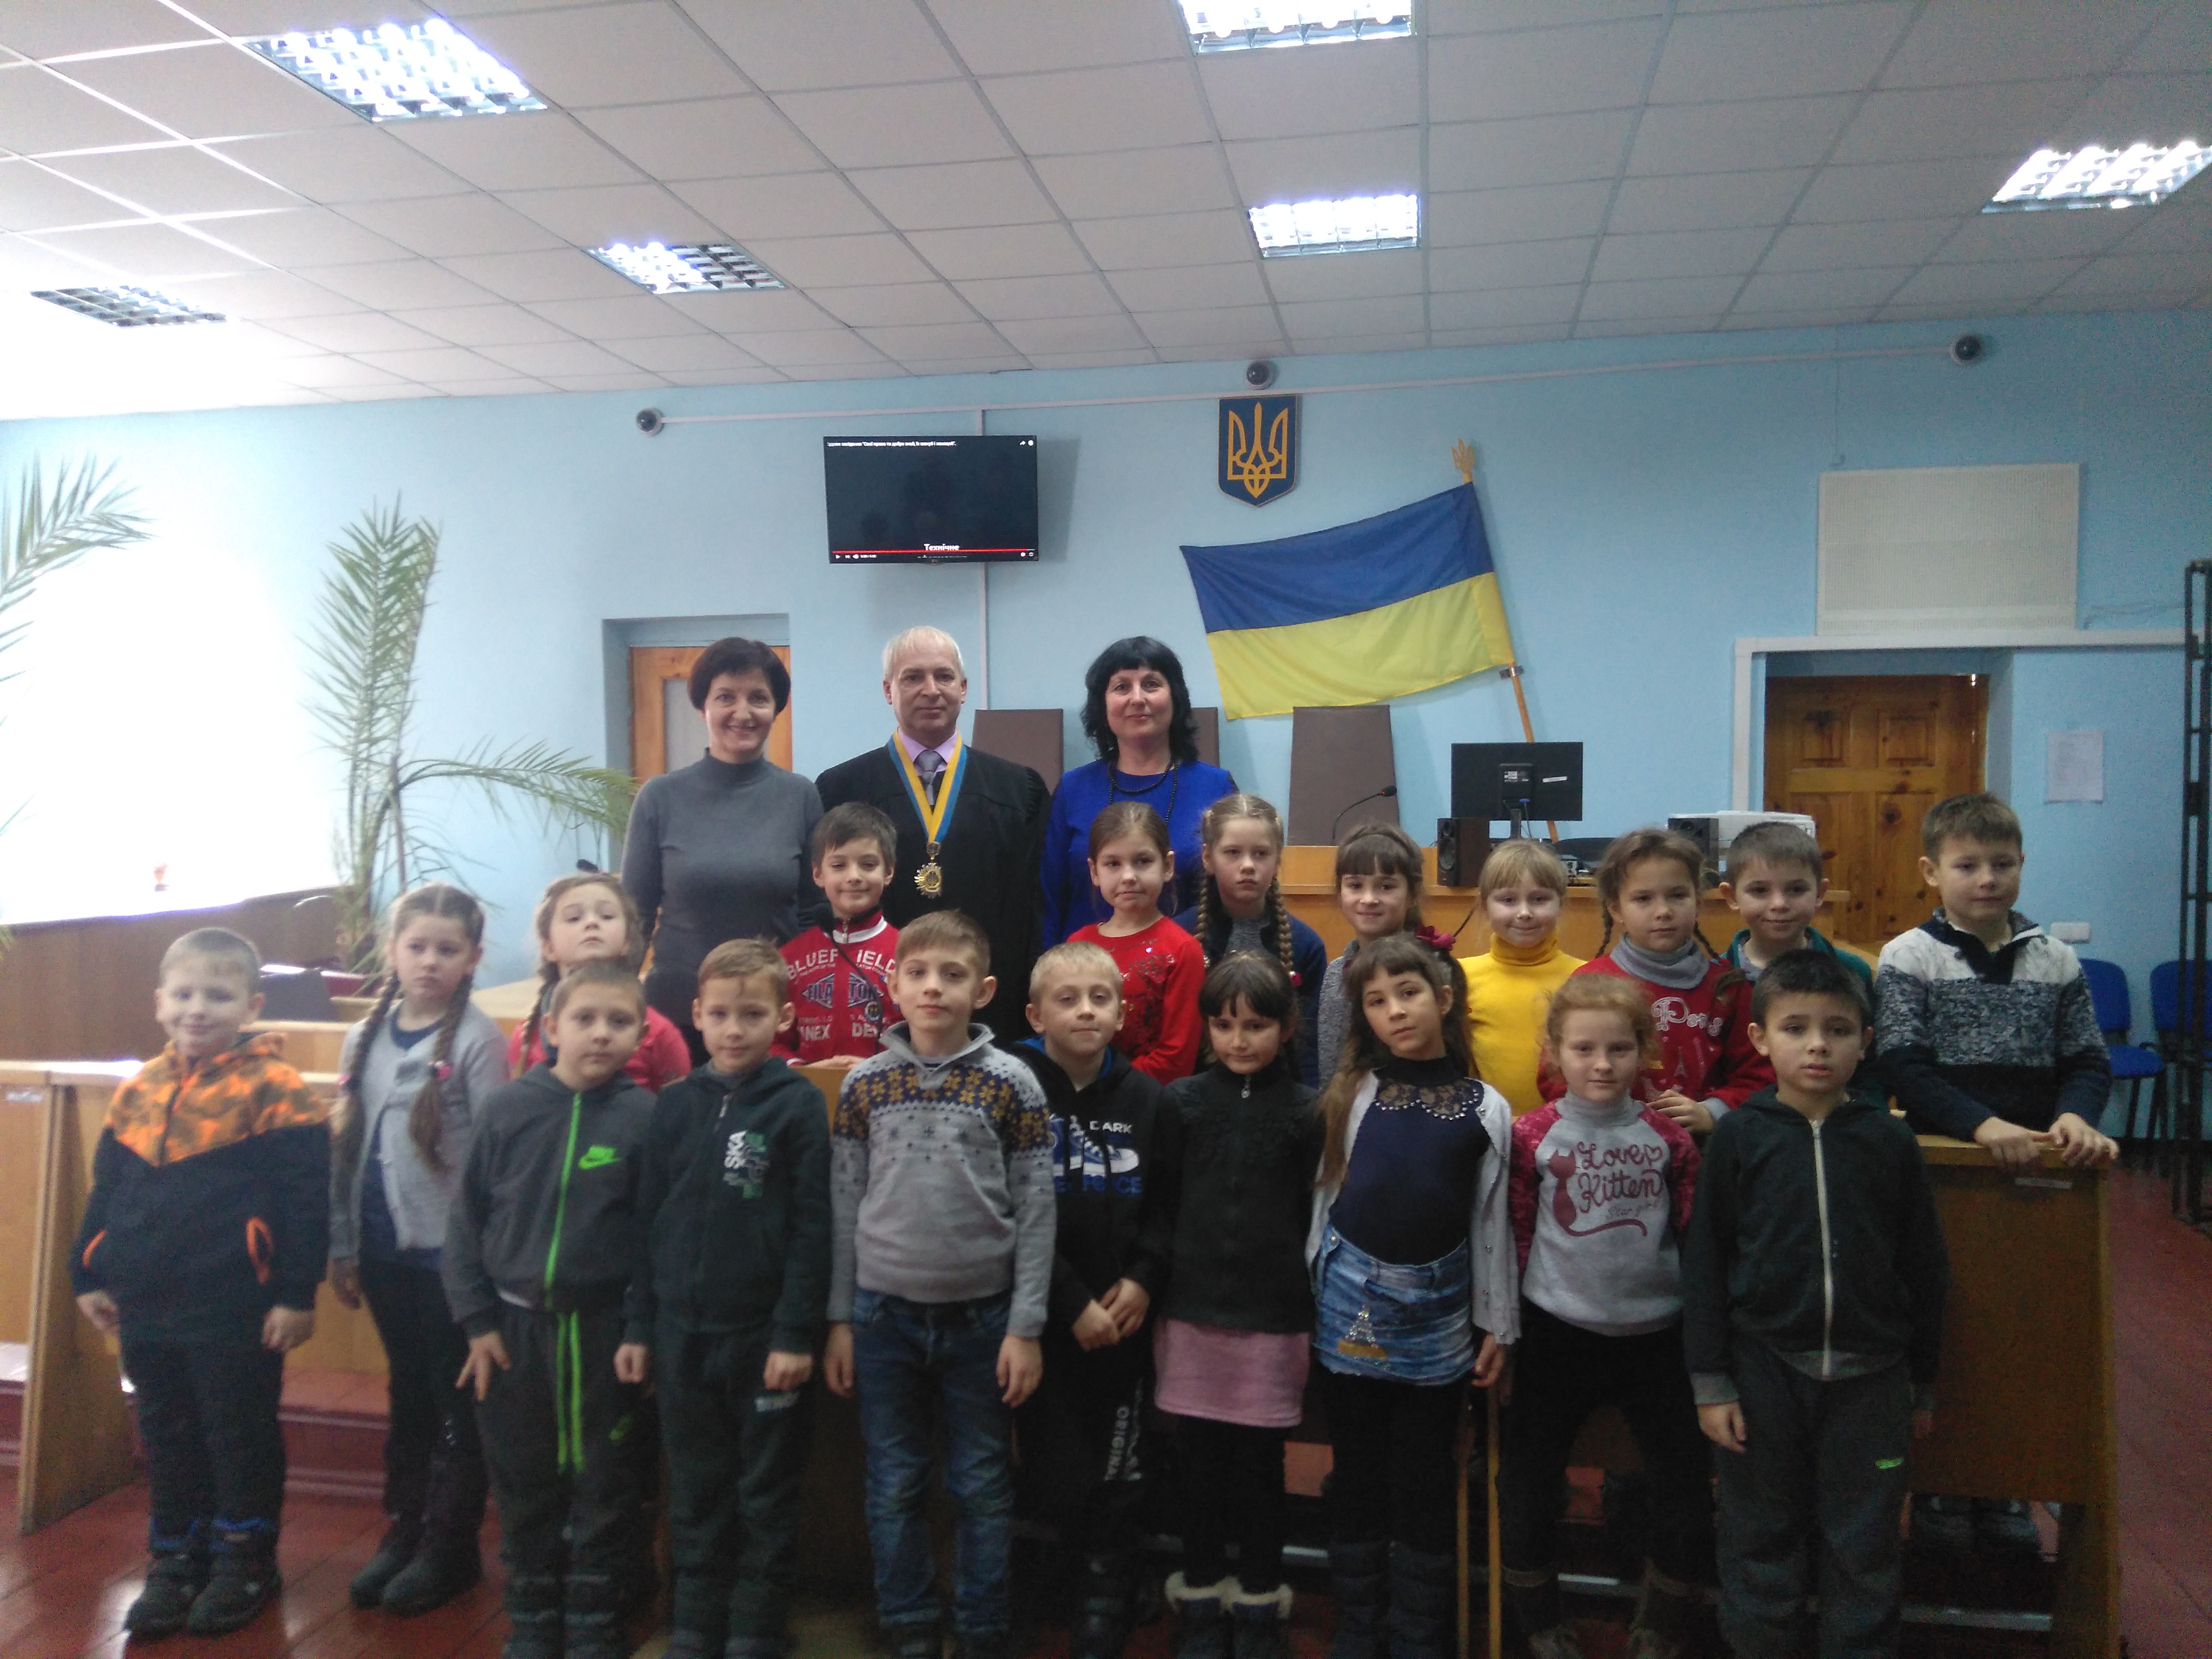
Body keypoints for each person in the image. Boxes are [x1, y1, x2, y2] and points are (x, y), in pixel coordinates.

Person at [1685, 950, 1949, 1659]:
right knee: (1758, 1532)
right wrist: (1711, 1381)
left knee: (1864, 1539)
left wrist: (1922, 1380)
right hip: (1762, 1370)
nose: (1817, 1046)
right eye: (1795, 1028)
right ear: (1760, 1038)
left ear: (1866, 1041)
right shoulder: (1739, 1136)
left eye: (1837, 1030)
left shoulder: (1888, 1139)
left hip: (1874, 1379)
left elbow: (1925, 1266)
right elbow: (1705, 1261)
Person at [72, 928, 329, 1638]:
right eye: (183, 995)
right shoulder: (140, 1088)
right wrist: (87, 1270)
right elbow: (107, 1190)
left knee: (236, 1431)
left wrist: (296, 1293)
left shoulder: (277, 1089)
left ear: (251, 1005)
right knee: (165, 1430)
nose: (198, 1009)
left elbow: (308, 1203)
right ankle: (176, 1560)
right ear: (160, 1003)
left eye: (217, 995)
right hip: (146, 1300)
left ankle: (244, 1559)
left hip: (234, 1301)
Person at [1874, 791, 2113, 1554]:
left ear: (2021, 866)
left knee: (2026, 1328)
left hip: (2036, 1171)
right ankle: (1946, 1480)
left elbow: (2086, 1060)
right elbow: (1902, 1065)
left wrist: (2075, 1116)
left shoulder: (2055, 958)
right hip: (1946, 1172)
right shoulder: (1909, 956)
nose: (1986, 879)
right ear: (1931, 872)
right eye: (1967, 865)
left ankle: (2008, 1479)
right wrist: (1980, 1126)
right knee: (1950, 1323)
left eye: (2001, 864)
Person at [820, 910, 1055, 1659]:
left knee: (981, 1484)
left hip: (982, 1323)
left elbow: (1037, 1211)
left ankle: (982, 1627)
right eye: (918, 974)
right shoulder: (865, 1083)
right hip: (882, 1319)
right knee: (894, 1482)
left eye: (952, 975)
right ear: (893, 984)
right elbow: (843, 1205)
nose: (933, 988)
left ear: (982, 990)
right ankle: (909, 1623)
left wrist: (1025, 1327)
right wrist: (840, 1320)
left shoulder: (1014, 1084)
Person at [445, 961, 659, 1659]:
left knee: (607, 1476)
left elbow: (654, 1240)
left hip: (604, 1333)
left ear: (640, 1034)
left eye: (618, 1022)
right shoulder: (508, 1109)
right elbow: (465, 1224)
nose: (601, 1034)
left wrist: (640, 1328)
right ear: (550, 1029)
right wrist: (478, 1323)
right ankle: (533, 1612)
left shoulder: (645, 1119)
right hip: (513, 1334)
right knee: (524, 1475)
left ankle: (596, 1614)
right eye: (585, 1019)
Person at [1308, 934, 1514, 1659]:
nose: (1395, 1010)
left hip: (1438, 1320)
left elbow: (1492, 1224)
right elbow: (1324, 1204)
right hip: (1349, 1308)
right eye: (1376, 1001)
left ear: (1443, 998)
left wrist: (1498, 1325)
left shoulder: (1487, 1108)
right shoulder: (1353, 1095)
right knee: (1357, 1473)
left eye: (1408, 993)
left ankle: (1420, 1636)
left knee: (1425, 1478)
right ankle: (1359, 1627)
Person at [624, 940, 831, 1659]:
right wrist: (641, 1327)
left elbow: (812, 1230)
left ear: (783, 1018)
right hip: (682, 1336)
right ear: (696, 1015)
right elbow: (646, 1223)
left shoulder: (796, 1105)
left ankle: (755, 1626)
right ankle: (696, 1622)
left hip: (764, 1340)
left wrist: (794, 1335)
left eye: (752, 1014)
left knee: (765, 1494)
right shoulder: (675, 1106)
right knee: (696, 1488)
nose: (734, 1029)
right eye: (719, 1014)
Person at [1497, 975, 1709, 1659]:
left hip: (1656, 1338)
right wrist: (1505, 1332)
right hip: (1555, 1334)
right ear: (1554, 1051)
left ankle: (1662, 1622)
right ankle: (1537, 1620)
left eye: (1618, 1049)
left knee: (1681, 1484)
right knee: (1528, 1483)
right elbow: (1515, 1236)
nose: (1600, 1064)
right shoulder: (1530, 1136)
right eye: (1582, 1049)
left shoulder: (1669, 1139)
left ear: (1643, 1050)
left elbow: (1691, 1237)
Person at [330, 884, 508, 1617]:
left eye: (447, 949)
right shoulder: (363, 1038)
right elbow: (347, 1152)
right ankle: (403, 1531)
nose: (430, 961)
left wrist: (484, 1267)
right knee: (407, 1393)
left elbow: (494, 1163)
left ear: (473, 958)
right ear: (391, 949)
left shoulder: (476, 1041)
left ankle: (449, 1545)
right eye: (417, 946)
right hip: (380, 1251)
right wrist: (343, 1246)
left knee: (452, 1400)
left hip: (448, 1261)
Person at [1011, 941, 1182, 1659]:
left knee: (1119, 1466)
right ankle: (1053, 1575)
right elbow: (1005, 1209)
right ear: (1035, 1015)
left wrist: (1143, 1277)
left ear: (1121, 1014)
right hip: (1040, 1321)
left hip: (1120, 1324)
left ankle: (1105, 1589)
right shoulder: (1015, 1087)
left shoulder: (1149, 1100)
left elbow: (1168, 1206)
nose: (1085, 1011)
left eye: (1100, 999)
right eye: (1067, 999)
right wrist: (1068, 1300)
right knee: (1052, 1463)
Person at [1157, 954, 1322, 1659]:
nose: (1238, 1040)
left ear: (1286, 1028)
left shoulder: (1309, 1111)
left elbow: (1315, 1216)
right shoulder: (1182, 1103)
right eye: (1224, 1025)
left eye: (1255, 1026)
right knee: (1197, 1464)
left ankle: (1258, 1597)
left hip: (1272, 1318)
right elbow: (1162, 1202)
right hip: (1191, 1312)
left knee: (1259, 1467)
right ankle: (1199, 1593)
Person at [817, 627, 1051, 1048]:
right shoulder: (839, 789)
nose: (931, 690)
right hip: (872, 1010)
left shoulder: (1019, 789)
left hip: (990, 1009)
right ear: (888, 690)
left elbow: (1034, 909)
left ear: (963, 688)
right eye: (913, 677)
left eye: (944, 676)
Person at [623, 636, 823, 1063]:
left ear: (776, 709)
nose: (743, 713)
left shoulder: (801, 796)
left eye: (758, 698)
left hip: (770, 1018)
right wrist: (616, 999)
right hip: (677, 1017)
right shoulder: (659, 797)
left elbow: (813, 914)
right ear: (703, 708)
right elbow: (635, 916)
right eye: (726, 697)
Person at [1554, 828, 1770, 1133]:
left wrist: (1712, 1112)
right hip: (1608, 1145)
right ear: (1616, 908)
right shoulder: (1588, 985)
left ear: (1698, 900)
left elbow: (1759, 1075)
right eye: (1643, 899)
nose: (1664, 912)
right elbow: (1554, 1074)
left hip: (1704, 1146)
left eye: (1677, 896)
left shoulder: (1728, 988)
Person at [1042, 636, 1237, 944]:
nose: (1137, 698)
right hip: (1083, 969)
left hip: (1187, 965)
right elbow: (1048, 903)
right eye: (1122, 687)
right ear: (1103, 705)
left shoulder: (1216, 788)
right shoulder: (1072, 790)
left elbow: (1233, 897)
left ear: (1175, 697)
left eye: (1151, 684)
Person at [1174, 792, 1328, 1084]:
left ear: (1278, 860)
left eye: (1261, 854)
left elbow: (1309, 1050)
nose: (1248, 865)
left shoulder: (1305, 945)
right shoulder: (1179, 937)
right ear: (1208, 858)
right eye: (1233, 853)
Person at [510, 872, 692, 1092]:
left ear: (627, 940)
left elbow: (678, 1106)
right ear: (549, 947)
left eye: (606, 916)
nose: (592, 923)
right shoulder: (526, 1037)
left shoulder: (659, 1034)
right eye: (574, 918)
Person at [1069, 802, 1206, 1083]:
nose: (1129, 877)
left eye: (1143, 861)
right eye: (1113, 864)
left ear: (1167, 866)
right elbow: (1060, 1028)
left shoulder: (1182, 950)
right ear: (1094, 872)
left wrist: (1103, 1084)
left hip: (1146, 1099)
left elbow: (1176, 1058)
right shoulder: (1078, 944)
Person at [1460, 840, 1584, 1119]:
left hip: (1569, 1131)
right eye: (1508, 900)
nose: (1525, 913)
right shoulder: (1462, 978)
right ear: (1485, 906)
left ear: (1561, 903)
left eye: (1539, 899)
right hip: (1489, 1128)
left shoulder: (1585, 978)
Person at [777, 801, 902, 1067]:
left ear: (889, 872)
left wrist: (883, 1069)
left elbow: (924, 1037)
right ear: (817, 874)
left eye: (868, 865)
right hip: (807, 1088)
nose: (854, 876)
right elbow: (772, 1039)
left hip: (887, 1087)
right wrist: (803, 1071)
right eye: (839, 865)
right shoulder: (789, 957)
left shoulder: (907, 954)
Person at [1317, 822, 1427, 1085]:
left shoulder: (1433, 969)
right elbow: (1330, 1067)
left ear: (1412, 895)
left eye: (1386, 887)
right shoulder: (1336, 973)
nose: (1368, 899)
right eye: (1355, 886)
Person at [1718, 821, 1875, 995]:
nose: (1779, 904)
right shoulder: (1713, 980)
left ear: (1820, 893)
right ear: (1732, 896)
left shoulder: (1854, 971)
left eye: (1796, 890)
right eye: (1760, 890)